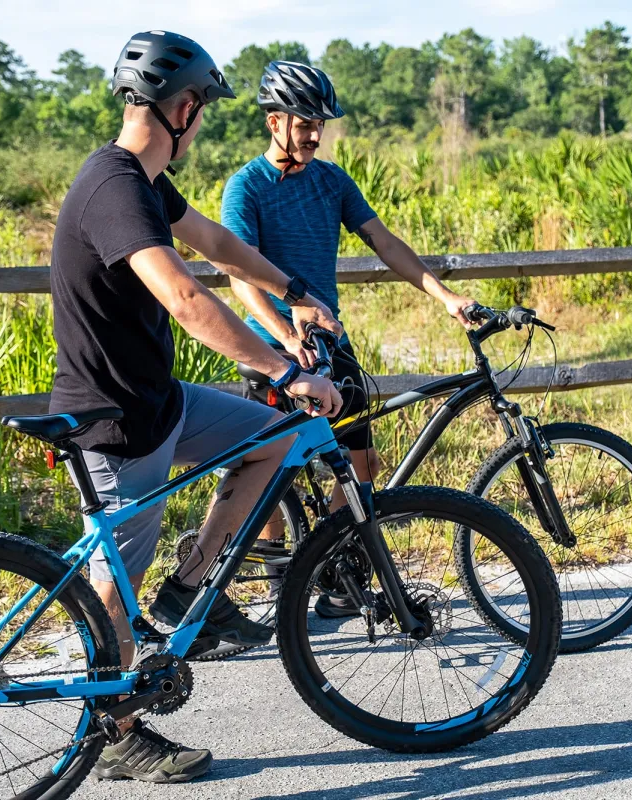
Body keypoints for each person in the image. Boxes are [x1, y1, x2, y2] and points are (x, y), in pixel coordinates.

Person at [49, 33, 343, 784]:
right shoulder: (114, 186)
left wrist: (294, 292)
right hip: (113, 422)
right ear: (182, 109)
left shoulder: (145, 183)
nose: (202, 121)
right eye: (202, 109)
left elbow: (212, 241)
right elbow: (184, 296)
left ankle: (192, 588)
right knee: (112, 591)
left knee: (278, 433)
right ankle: (114, 736)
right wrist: (281, 365)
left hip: (161, 403)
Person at [222, 61, 476, 616]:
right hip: (274, 348)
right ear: (273, 121)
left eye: (320, 122)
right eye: (303, 121)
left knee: (360, 460)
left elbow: (384, 242)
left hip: (331, 345)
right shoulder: (246, 187)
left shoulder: (331, 180)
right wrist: (286, 337)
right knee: (270, 468)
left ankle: (338, 569)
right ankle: (267, 580)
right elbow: (242, 279)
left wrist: (446, 297)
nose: (315, 132)